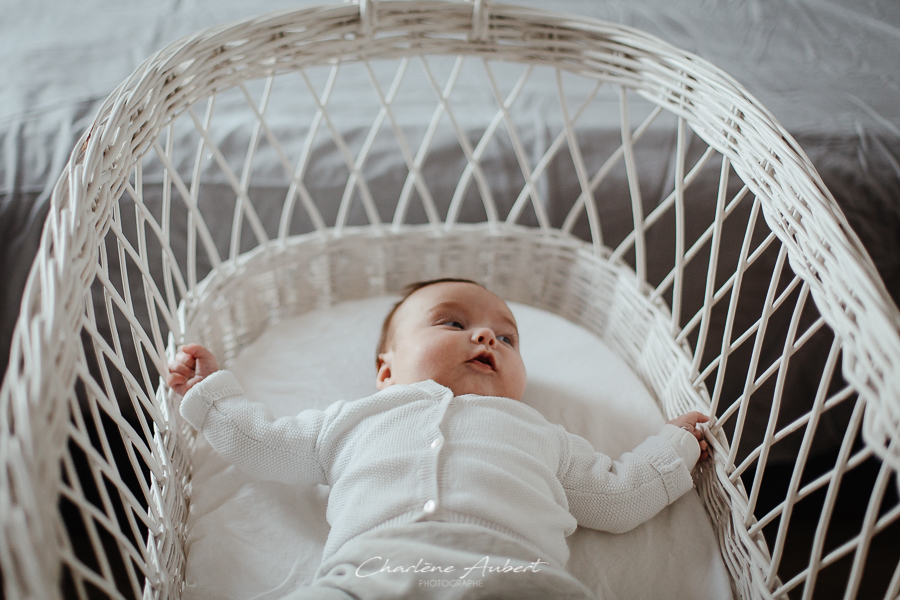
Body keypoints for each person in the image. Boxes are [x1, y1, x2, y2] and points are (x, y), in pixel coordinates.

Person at [168, 278, 709, 599]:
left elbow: (618, 497)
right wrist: (212, 393)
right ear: (386, 371)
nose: (485, 336)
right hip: (370, 578)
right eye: (451, 324)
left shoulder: (541, 435)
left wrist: (674, 447)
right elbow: (265, 444)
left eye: (506, 337)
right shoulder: (352, 421)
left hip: (514, 579)